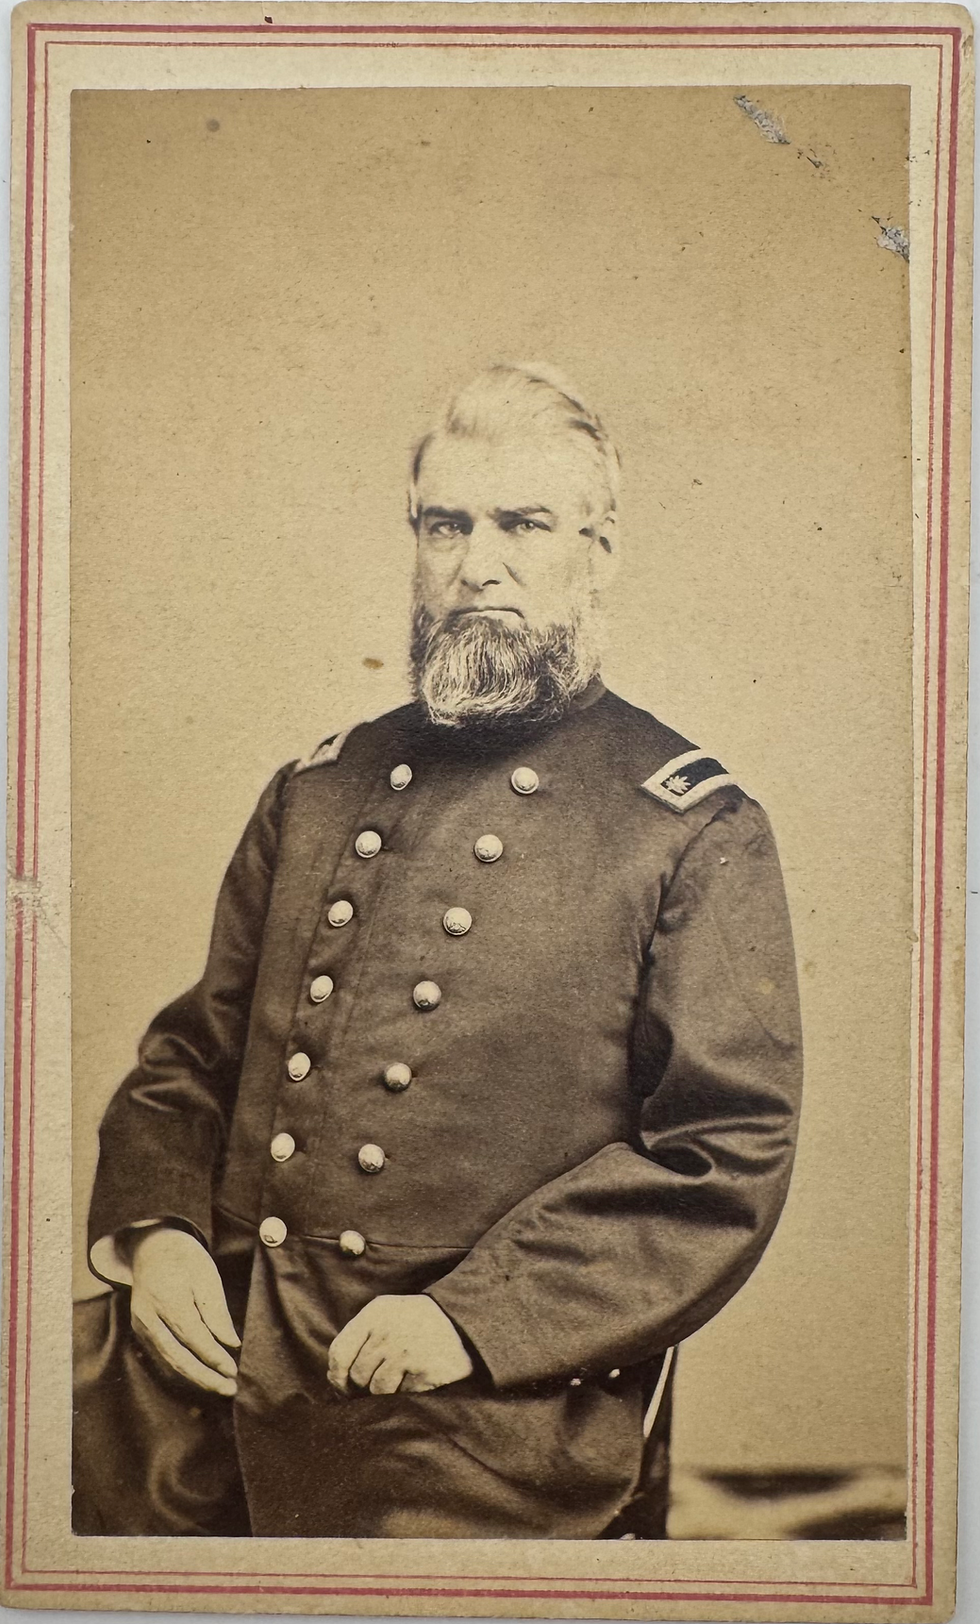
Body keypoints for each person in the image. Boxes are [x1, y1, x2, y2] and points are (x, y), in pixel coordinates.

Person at [73, 362, 803, 1540]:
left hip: (483, 1412)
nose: (476, 565)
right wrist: (155, 1237)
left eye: (523, 524)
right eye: (445, 525)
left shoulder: (687, 826)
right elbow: (192, 1057)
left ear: (598, 552)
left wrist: (471, 1322)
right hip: (217, 1365)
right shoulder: (318, 787)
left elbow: (722, 1153)